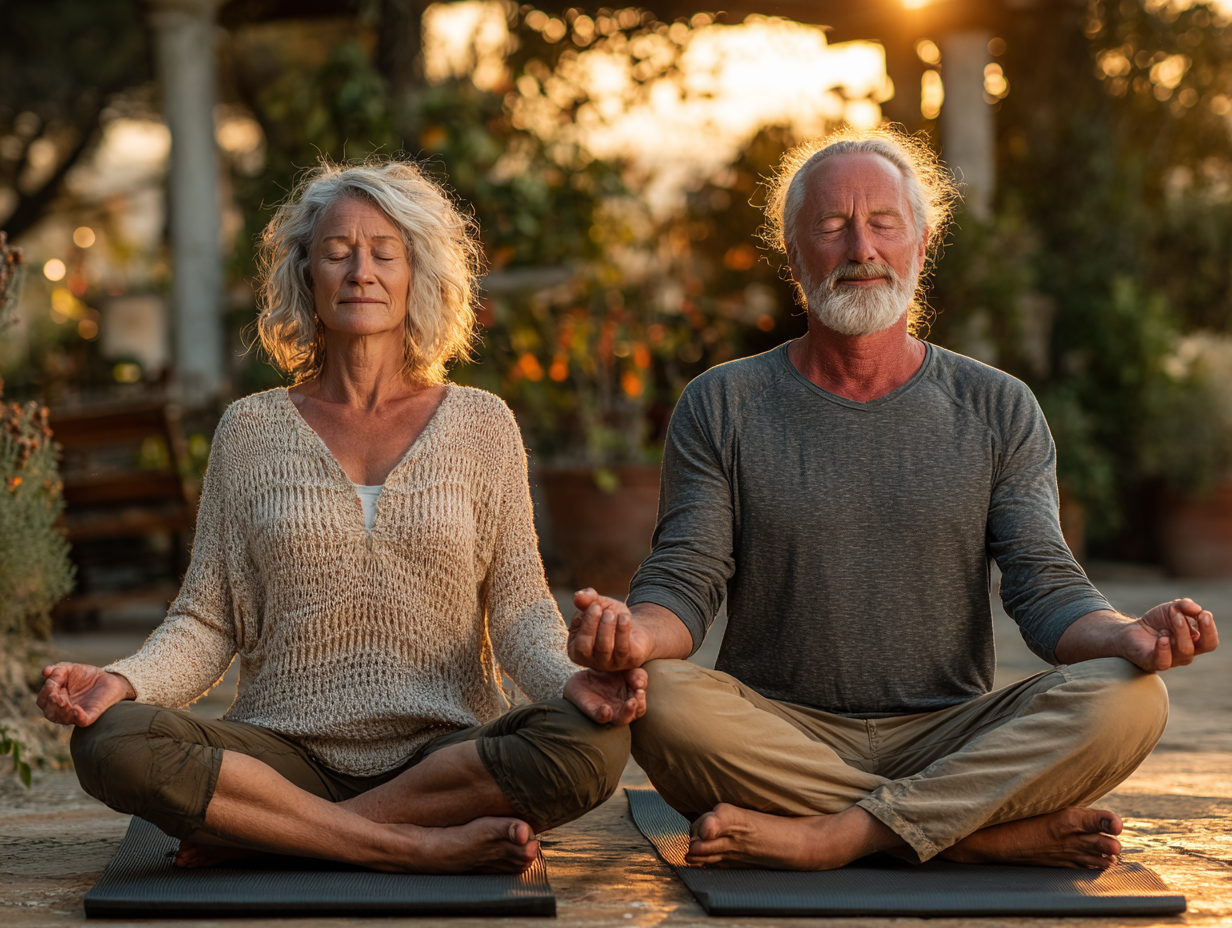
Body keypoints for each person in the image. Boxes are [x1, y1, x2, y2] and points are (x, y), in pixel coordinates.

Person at [566, 126, 1219, 872]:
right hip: (778, 735)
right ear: (793, 251)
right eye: (833, 226)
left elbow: (1044, 586)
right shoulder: (723, 403)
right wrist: (633, 637)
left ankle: (835, 837)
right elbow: (686, 578)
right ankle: (974, 834)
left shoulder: (999, 407)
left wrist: (1127, 635)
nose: (861, 250)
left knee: (1131, 698)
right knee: (666, 699)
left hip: (951, 733)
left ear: (922, 241)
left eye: (883, 223)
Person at [37, 160, 645, 875]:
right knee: (108, 741)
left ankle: (279, 836)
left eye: (384, 253)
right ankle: (409, 847)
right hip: (280, 755)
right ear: (307, 277)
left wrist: (567, 681)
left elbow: (517, 610)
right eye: (337, 253)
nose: (361, 270)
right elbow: (206, 620)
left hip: (444, 752)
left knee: (596, 741)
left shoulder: (483, 425)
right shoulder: (250, 430)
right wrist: (125, 681)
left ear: (417, 275)